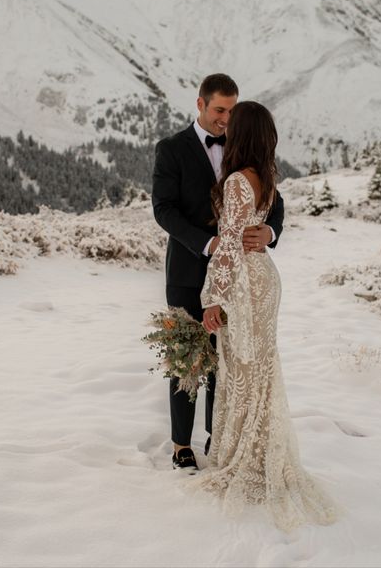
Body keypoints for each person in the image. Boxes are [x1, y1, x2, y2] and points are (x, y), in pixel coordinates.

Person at [196, 101, 339, 532]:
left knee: (242, 368)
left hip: (244, 283)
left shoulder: (239, 181)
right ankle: (255, 450)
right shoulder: (266, 178)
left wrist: (212, 298)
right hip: (263, 281)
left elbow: (229, 245)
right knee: (255, 370)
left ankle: (246, 457)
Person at [152, 74, 285, 473]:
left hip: (241, 277)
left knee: (227, 361)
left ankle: (219, 435)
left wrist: (270, 230)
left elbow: (274, 201)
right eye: (219, 110)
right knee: (188, 360)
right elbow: (164, 209)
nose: (226, 120)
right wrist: (208, 245)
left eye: (232, 110)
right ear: (200, 104)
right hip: (189, 270)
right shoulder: (171, 149)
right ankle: (181, 444)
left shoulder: (244, 147)